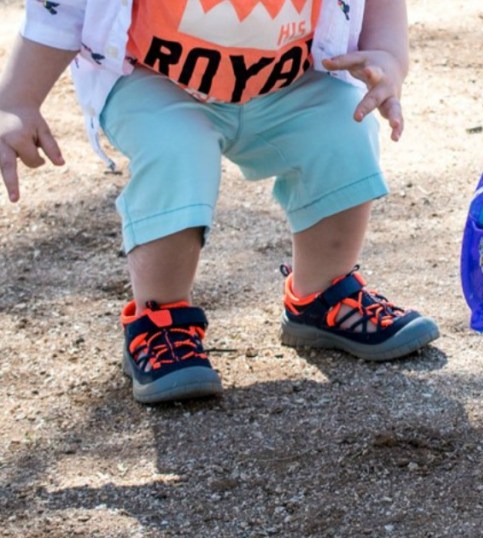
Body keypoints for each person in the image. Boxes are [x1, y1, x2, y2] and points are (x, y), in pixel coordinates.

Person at [0, 0, 439, 405]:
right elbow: (60, 8)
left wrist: (387, 55)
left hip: (288, 80)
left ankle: (322, 294)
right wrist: (18, 99)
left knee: (342, 128)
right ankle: (160, 318)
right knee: (177, 150)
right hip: (154, 80)